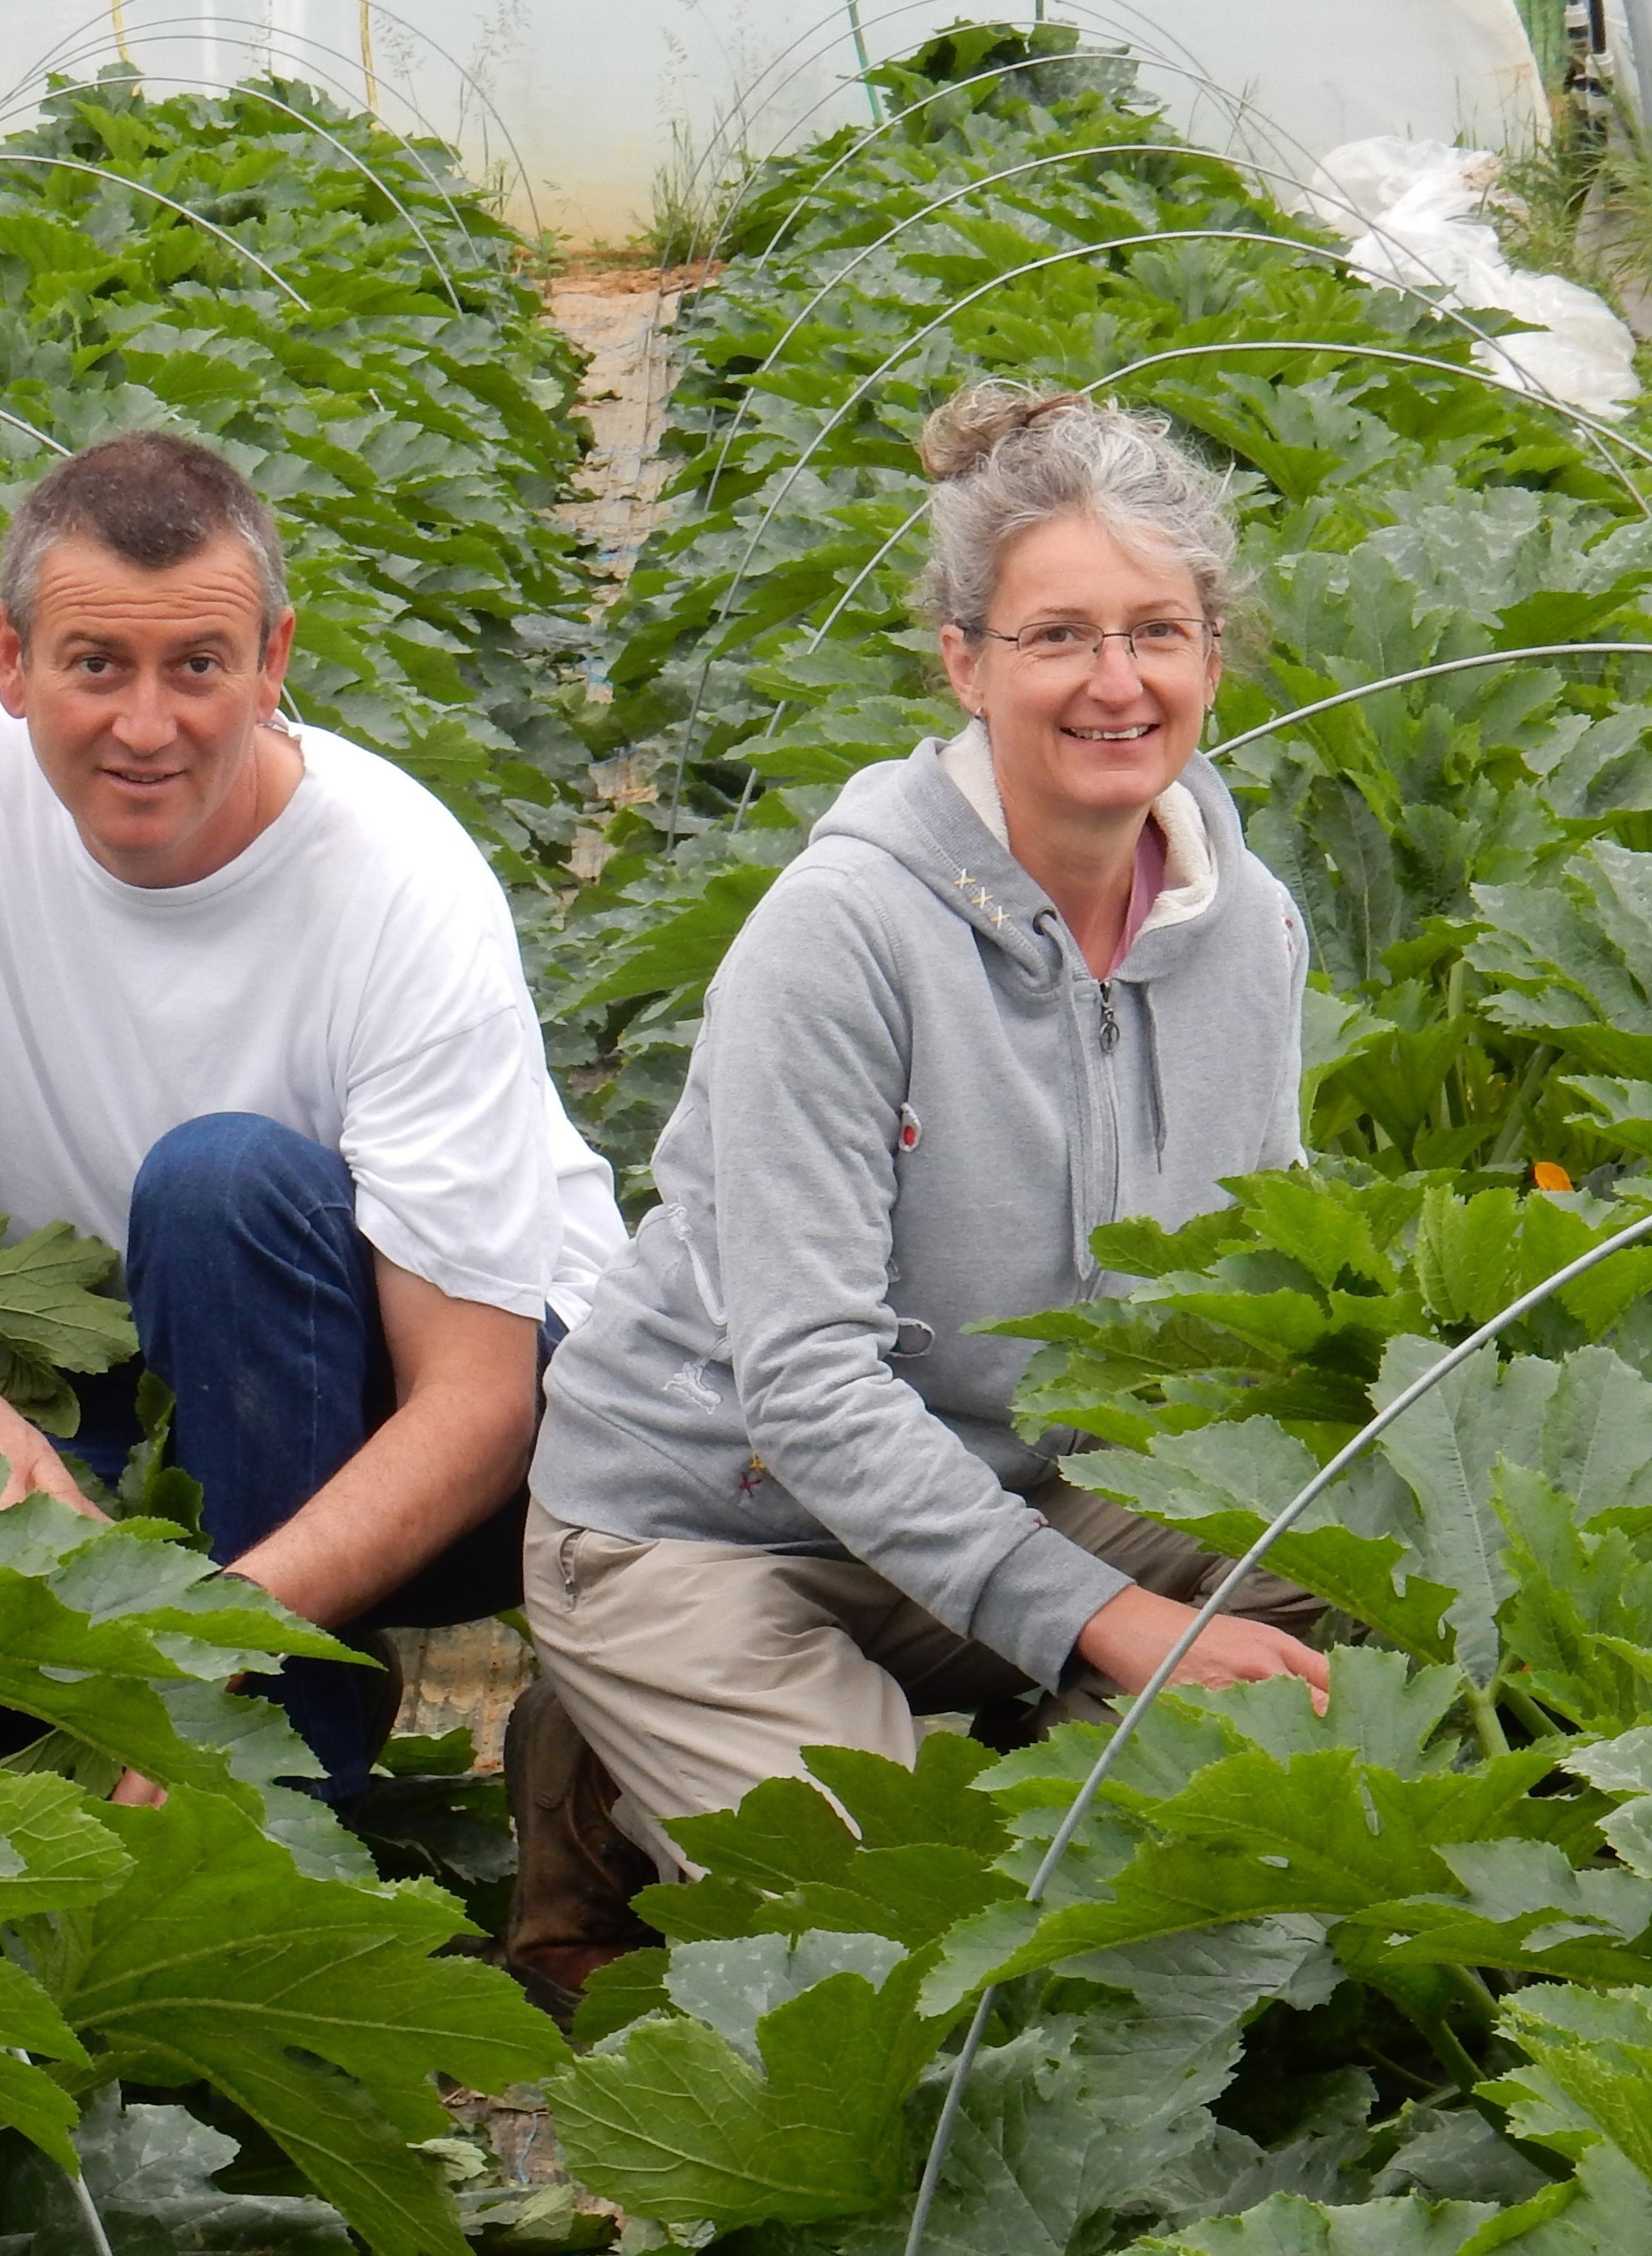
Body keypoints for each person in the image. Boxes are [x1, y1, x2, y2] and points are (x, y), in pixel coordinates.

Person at [0, 429, 624, 1803]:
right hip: (152, 1369)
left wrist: (198, 1650)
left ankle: (274, 1833)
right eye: (95, 663)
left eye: (199, 667)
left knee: (219, 1186)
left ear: (275, 661)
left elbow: (476, 1404)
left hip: (491, 1434)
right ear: (8, 654)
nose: (145, 726)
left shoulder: (399, 885)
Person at [511, 383, 1328, 1994]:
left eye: (1157, 631)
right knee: (905, 1942)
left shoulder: (1249, 931)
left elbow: (1257, 1271)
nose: (1116, 682)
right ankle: (603, 1763)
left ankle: (1016, 1771)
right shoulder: (846, 934)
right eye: (1056, 637)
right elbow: (807, 1388)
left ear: (1212, 658)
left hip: (1015, 1491)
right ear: (962, 662)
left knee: (1363, 1601)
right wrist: (1114, 1624)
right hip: (712, 1519)